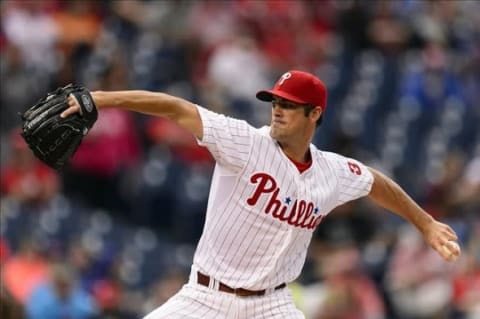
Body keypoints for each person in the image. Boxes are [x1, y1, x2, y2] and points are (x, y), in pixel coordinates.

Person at [61, 70, 460, 319]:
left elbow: (375, 182)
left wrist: (424, 223)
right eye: (275, 102)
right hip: (206, 298)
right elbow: (175, 108)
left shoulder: (332, 172)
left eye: (289, 105)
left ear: (314, 114)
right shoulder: (245, 143)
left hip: (272, 305)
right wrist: (100, 99)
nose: (277, 110)